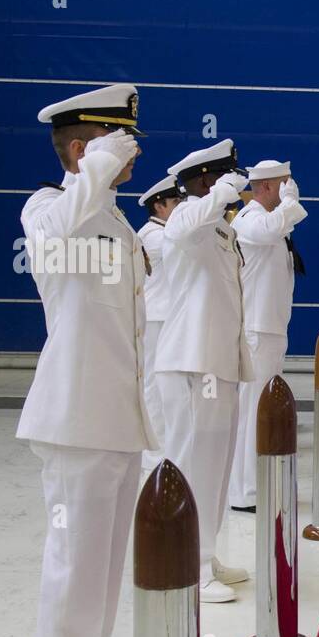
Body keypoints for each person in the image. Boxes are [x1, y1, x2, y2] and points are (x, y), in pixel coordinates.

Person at [18, 83, 150, 637]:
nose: (132, 152)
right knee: (73, 563)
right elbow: (51, 244)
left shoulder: (115, 219)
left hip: (115, 417)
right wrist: (94, 168)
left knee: (100, 566)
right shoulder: (49, 207)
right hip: (73, 417)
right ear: (80, 148)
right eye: (117, 142)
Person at [156, 139, 255, 602]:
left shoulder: (221, 230)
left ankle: (206, 552)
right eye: (226, 176)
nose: (237, 183)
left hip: (220, 360)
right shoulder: (186, 218)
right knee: (192, 463)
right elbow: (180, 231)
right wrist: (219, 195)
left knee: (215, 465)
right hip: (192, 362)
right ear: (204, 180)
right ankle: (186, 564)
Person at [227, 159, 307, 512]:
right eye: (284, 184)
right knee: (253, 411)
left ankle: (253, 486)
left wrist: (287, 205)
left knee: (260, 410)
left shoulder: (271, 222)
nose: (290, 189)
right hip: (257, 329)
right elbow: (270, 230)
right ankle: (247, 492)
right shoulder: (250, 219)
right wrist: (290, 202)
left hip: (269, 327)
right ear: (268, 186)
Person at [136, 173, 185, 470]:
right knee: (153, 385)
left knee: (166, 384)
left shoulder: (164, 231)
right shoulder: (153, 235)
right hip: (156, 317)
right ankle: (153, 453)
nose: (180, 206)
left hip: (166, 316)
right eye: (175, 201)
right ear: (159, 206)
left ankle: (165, 447)